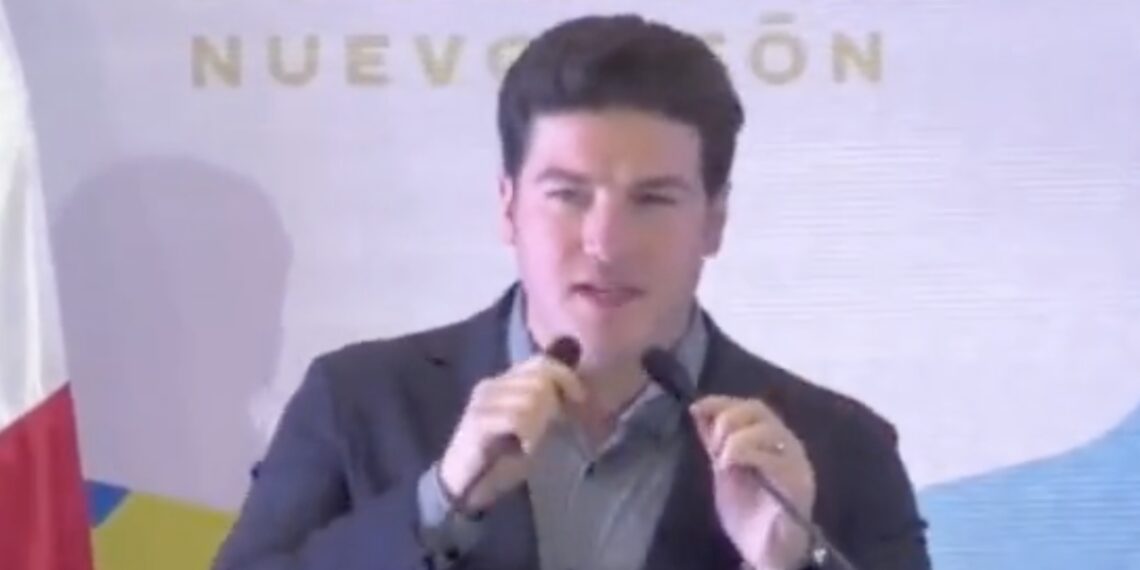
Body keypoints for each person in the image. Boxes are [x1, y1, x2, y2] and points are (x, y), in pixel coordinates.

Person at [212, 14, 932, 570]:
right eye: (567, 195)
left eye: (653, 200)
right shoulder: (358, 401)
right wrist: (439, 503)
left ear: (713, 222)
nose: (605, 243)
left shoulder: (839, 449)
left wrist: (787, 564)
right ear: (508, 208)